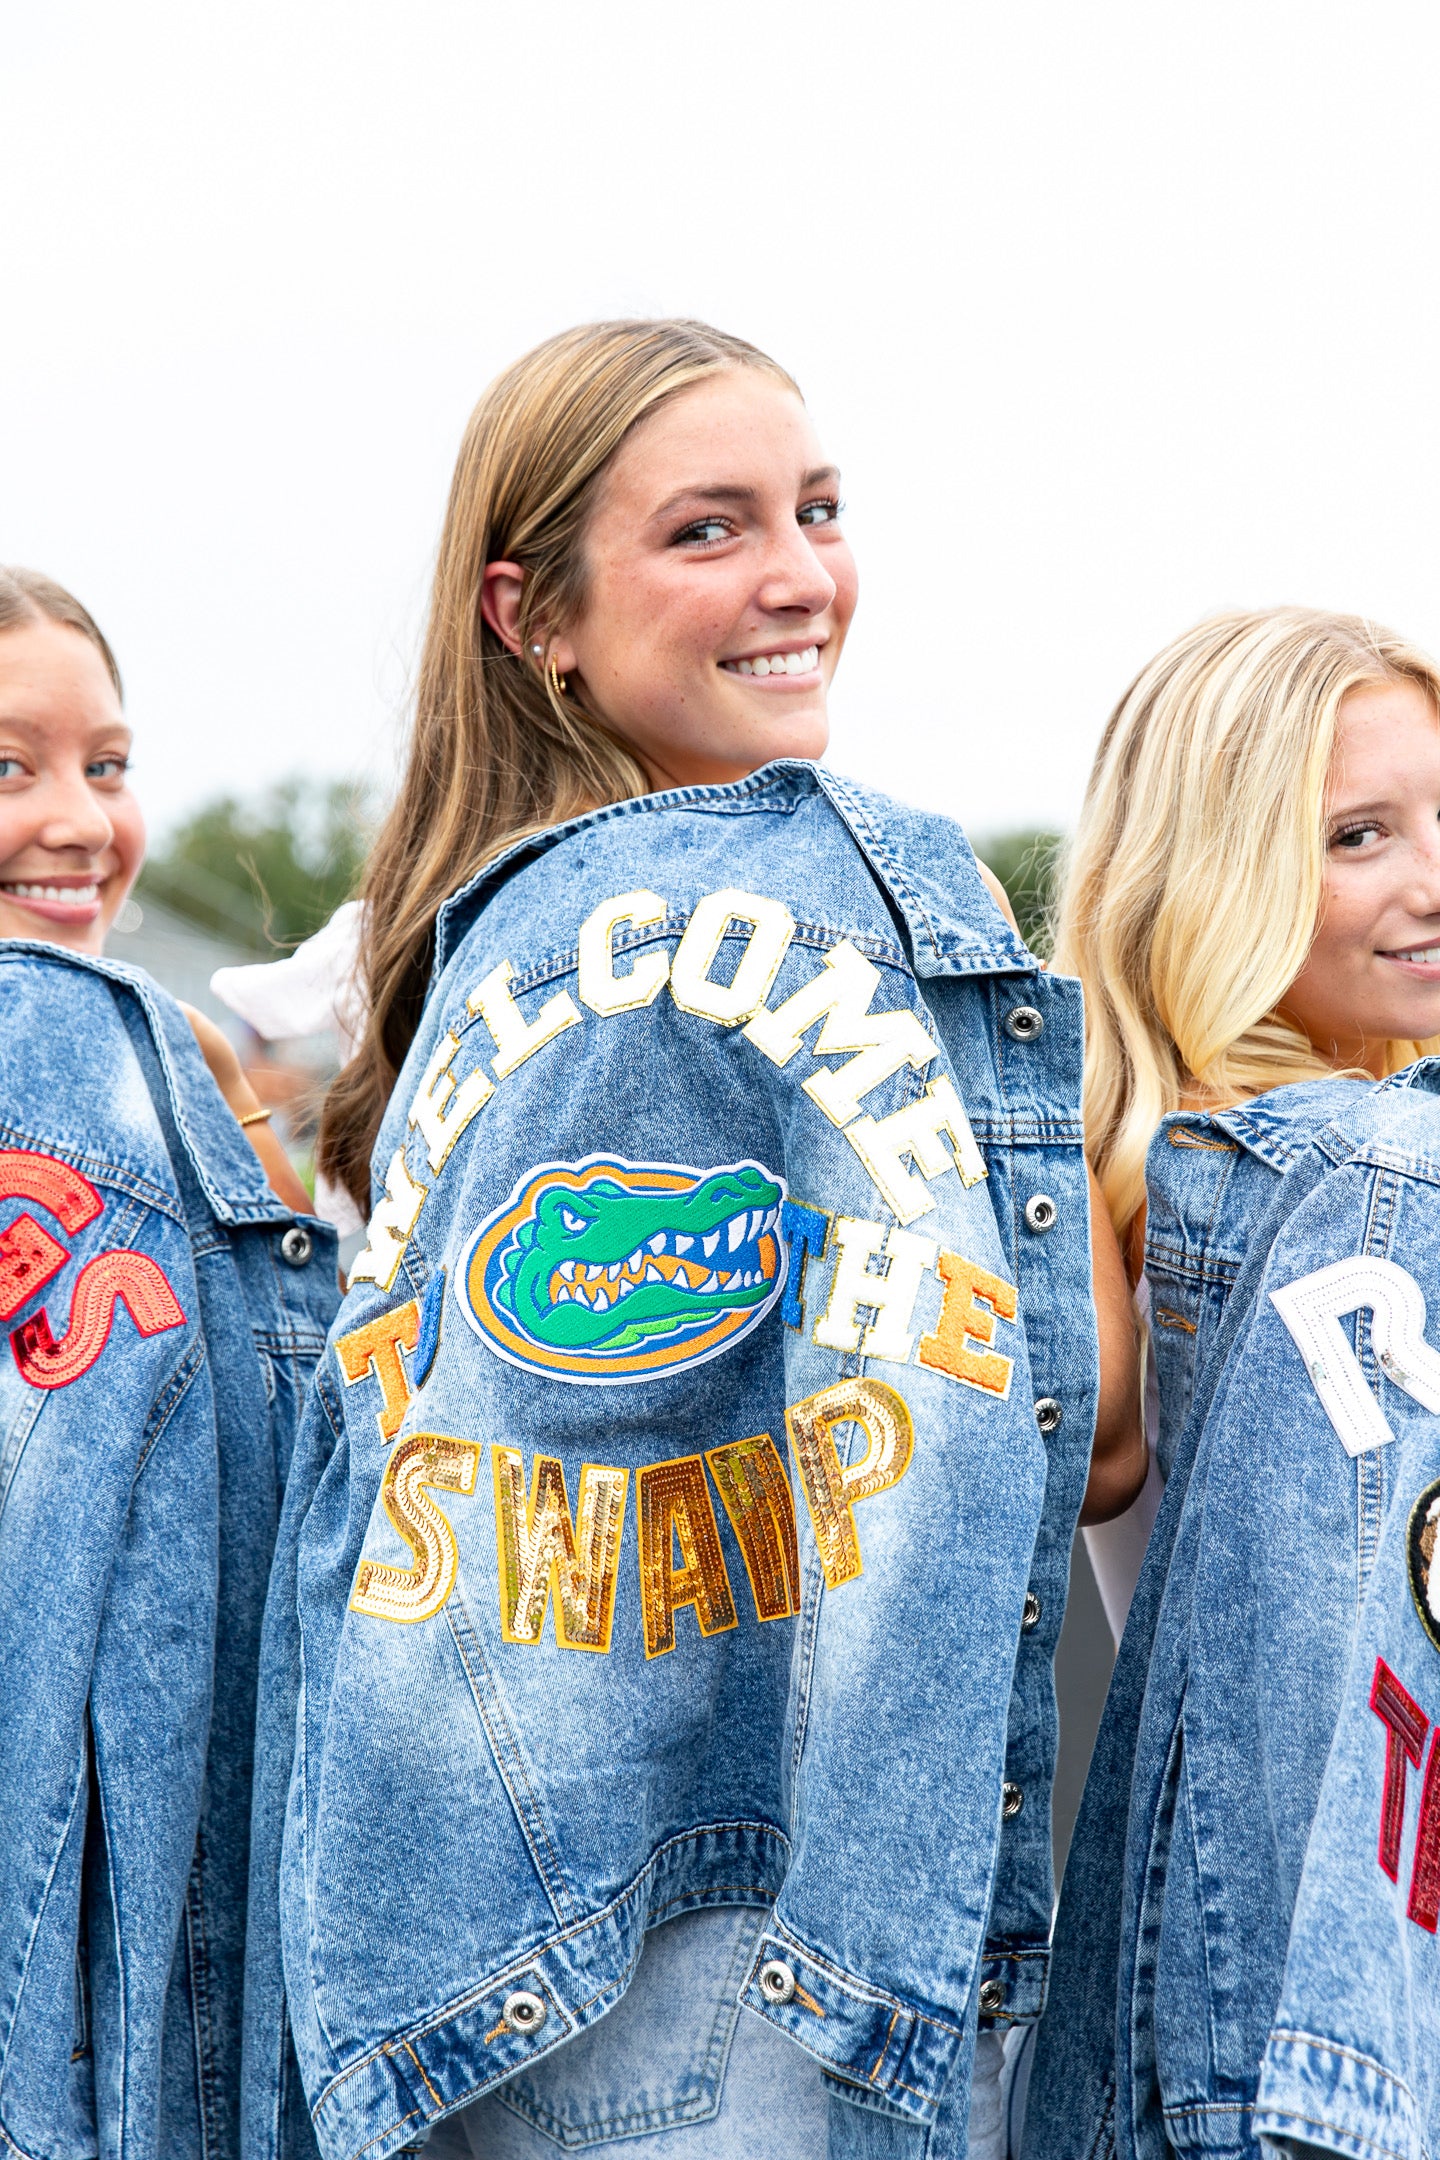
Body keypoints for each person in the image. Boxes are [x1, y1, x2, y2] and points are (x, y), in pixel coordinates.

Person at [243, 318, 1141, 2160]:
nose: (801, 576)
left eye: (816, 510)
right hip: (758, 1954)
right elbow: (1064, 1419)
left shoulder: (482, 951)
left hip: (500, 1949)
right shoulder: (787, 896)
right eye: (709, 531)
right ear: (530, 614)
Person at [1022, 608, 1440, 2160]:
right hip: (1289, 1987)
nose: (1430, 881)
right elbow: (1102, 1457)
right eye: (1356, 836)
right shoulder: (1195, 1177)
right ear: (1216, 873)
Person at [0, 567, 338, 2158]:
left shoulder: (175, 1074)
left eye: (107, 765)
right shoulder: (82, 1061)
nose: (78, 821)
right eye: (8, 768)